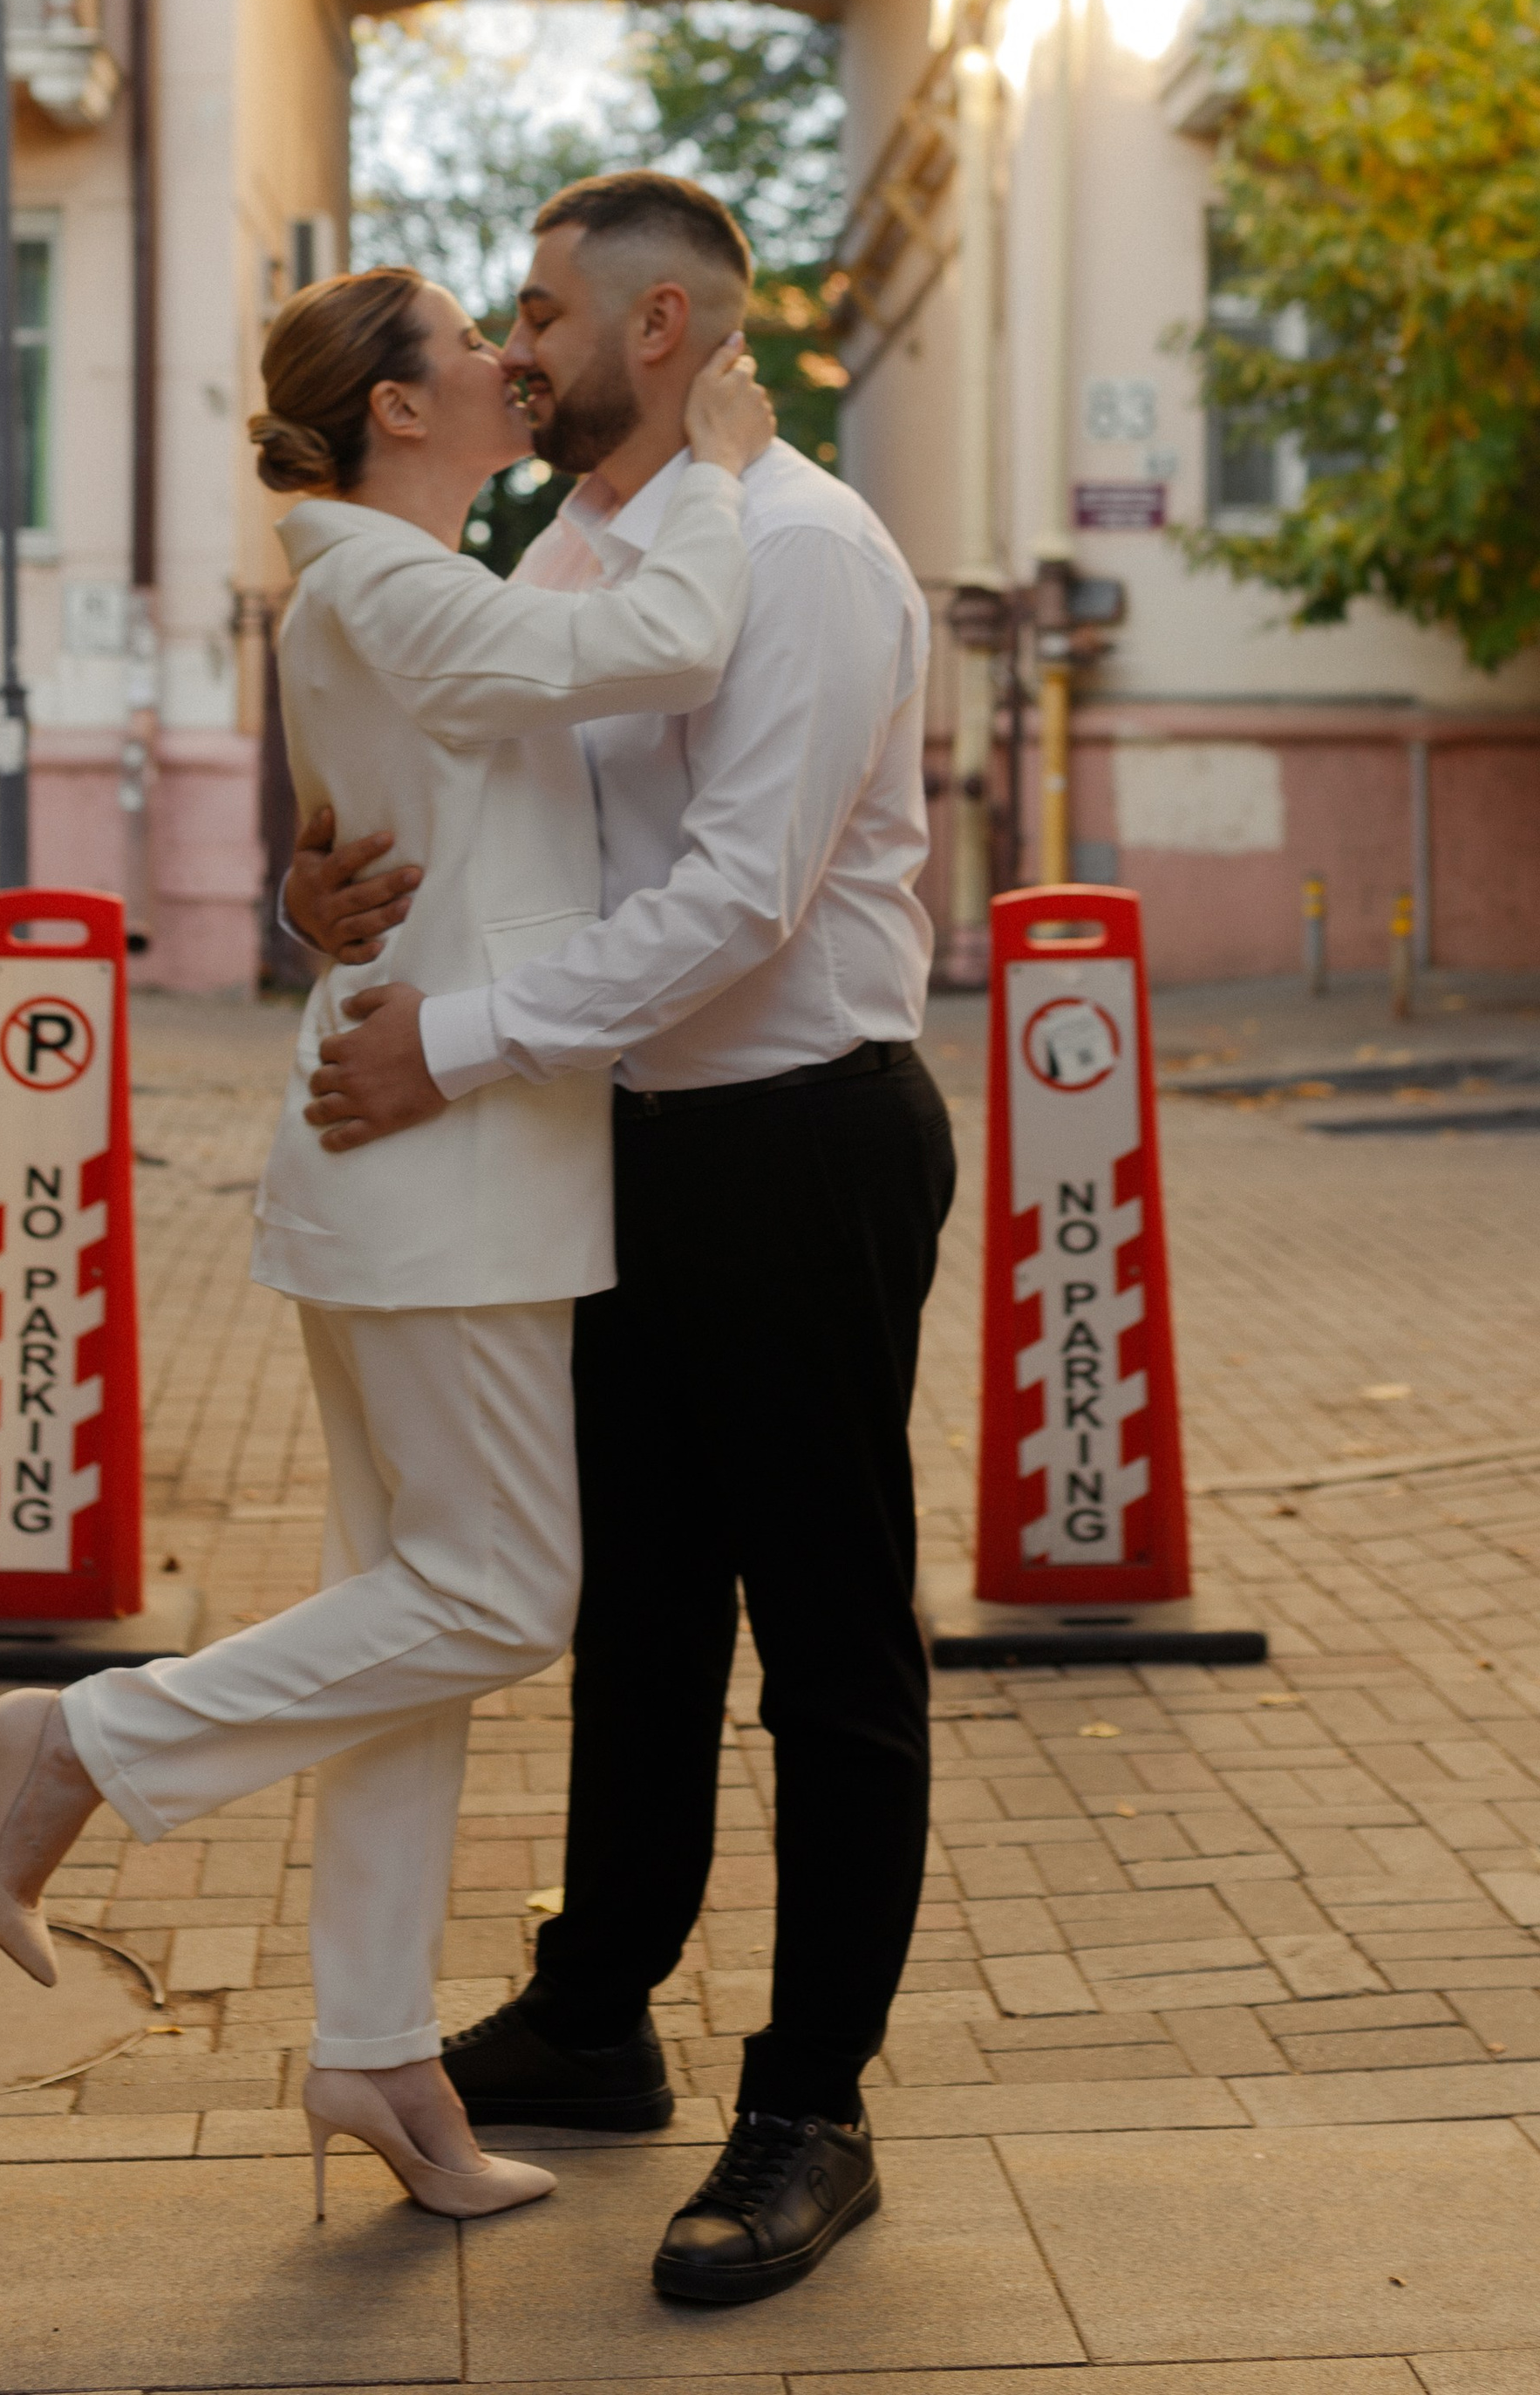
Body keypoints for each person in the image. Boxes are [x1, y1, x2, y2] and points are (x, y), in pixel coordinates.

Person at [0, 261, 773, 2228]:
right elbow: (651, 647)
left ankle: (374, 2051)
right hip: (434, 1177)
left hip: (432, 1159)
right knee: (495, 1598)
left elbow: (425, 823)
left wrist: (312, 895)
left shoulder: (405, 579)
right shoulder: (376, 573)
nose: (502, 361)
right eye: (472, 344)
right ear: (397, 406)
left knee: (409, 1631)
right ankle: (80, 1739)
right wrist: (714, 461)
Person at [289, 171, 956, 2308]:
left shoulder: (804, 554)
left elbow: (735, 905)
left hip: (802, 1136)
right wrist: (322, 905)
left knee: (825, 1641)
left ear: (655, 328)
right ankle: (597, 2013)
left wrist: (446, 1050)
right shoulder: (573, 539)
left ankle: (812, 2102)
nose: (514, 348)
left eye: (543, 314)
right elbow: (479, 809)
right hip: (627, 1151)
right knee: (639, 1612)